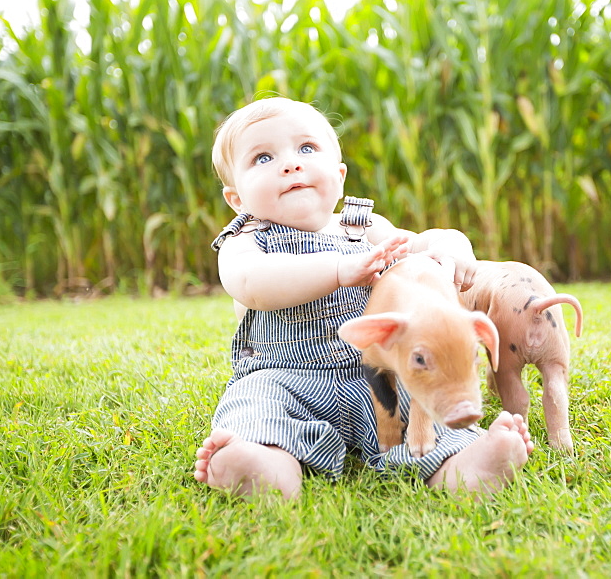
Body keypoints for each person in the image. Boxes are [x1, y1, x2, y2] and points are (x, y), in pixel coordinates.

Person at [193, 97, 533, 499]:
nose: (290, 164)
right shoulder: (247, 242)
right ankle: (262, 463)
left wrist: (451, 245)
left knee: (424, 407)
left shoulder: (363, 227)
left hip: (376, 379)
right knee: (257, 406)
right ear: (237, 199)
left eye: (306, 149)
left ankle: (469, 464)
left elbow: (418, 246)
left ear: (338, 177)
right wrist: (338, 271)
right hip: (287, 379)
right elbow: (251, 283)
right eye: (263, 158)